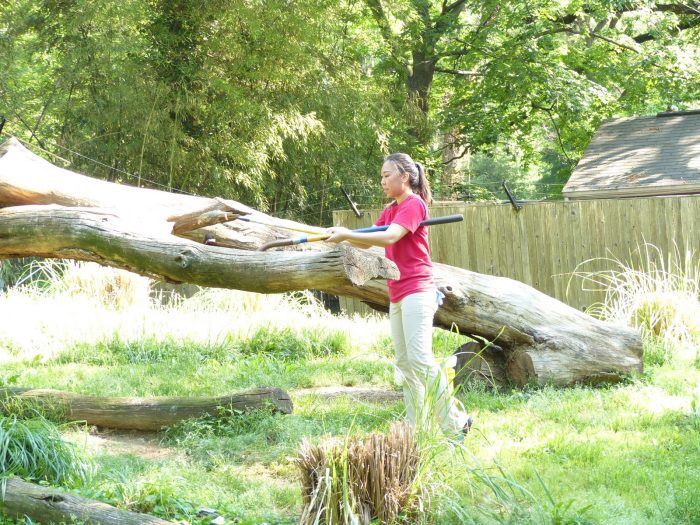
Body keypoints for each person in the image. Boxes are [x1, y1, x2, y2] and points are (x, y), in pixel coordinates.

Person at [325, 153, 472, 439]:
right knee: (405, 363)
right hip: (398, 292)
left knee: (420, 358)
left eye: (387, 175)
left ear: (404, 176)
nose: (382, 181)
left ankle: (456, 422)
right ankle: (414, 428)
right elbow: (367, 241)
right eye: (381, 176)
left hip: (418, 289)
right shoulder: (391, 209)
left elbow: (390, 237)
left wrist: (346, 234)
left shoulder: (413, 205)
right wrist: (342, 235)